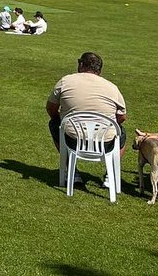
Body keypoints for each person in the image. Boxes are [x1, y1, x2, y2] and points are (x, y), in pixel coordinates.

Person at [46, 52, 127, 185]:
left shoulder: (66, 81)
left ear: (81, 65)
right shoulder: (112, 87)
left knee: (54, 124)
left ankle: (72, 171)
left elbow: (51, 109)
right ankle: (110, 174)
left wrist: (63, 119)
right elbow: (122, 117)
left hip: (72, 141)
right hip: (104, 144)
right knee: (121, 133)